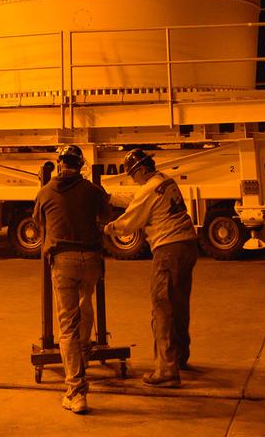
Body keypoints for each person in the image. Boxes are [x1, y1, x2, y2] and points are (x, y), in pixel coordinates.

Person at [105, 148, 198, 387]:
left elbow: (129, 222)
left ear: (142, 170)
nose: (133, 179)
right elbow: (139, 200)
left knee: (162, 307)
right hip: (187, 245)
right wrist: (109, 197)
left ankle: (166, 370)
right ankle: (179, 357)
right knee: (178, 303)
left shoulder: (147, 189)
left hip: (168, 248)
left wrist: (107, 229)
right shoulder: (165, 180)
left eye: (133, 175)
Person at [32, 145, 111, 415]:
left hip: (63, 260)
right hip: (91, 259)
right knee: (85, 300)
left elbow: (38, 223)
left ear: (58, 164)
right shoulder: (92, 190)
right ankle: (85, 350)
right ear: (81, 165)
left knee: (67, 326)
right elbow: (106, 216)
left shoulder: (45, 192)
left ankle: (76, 392)